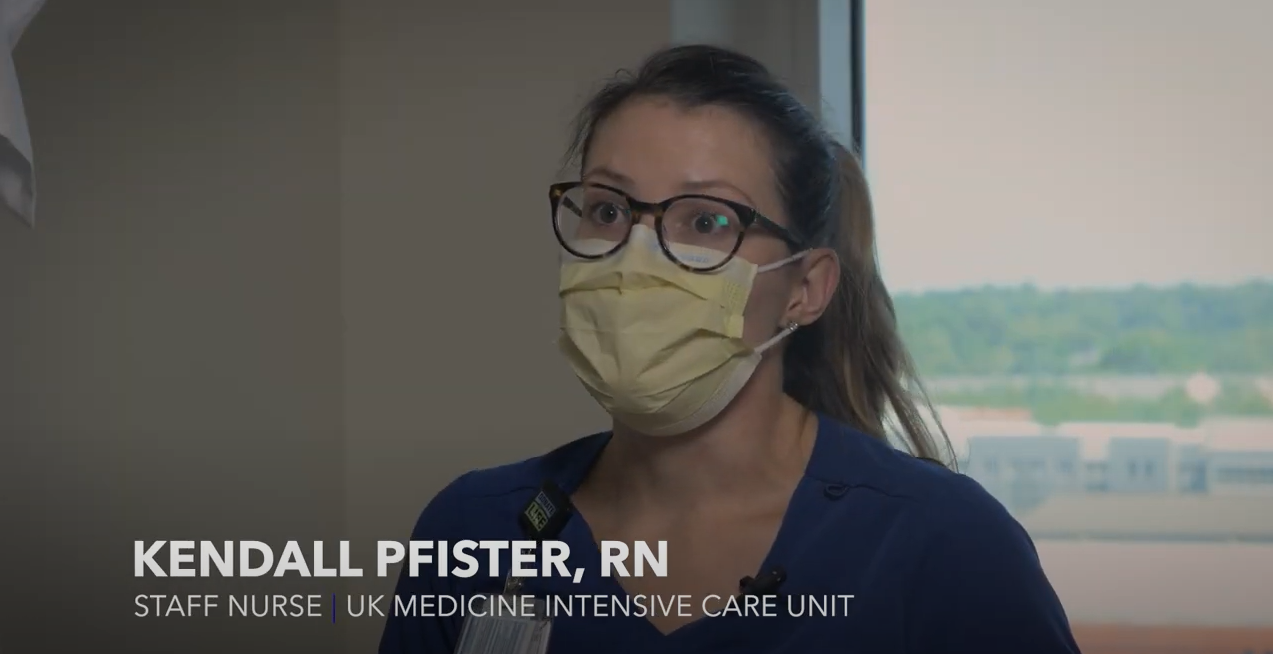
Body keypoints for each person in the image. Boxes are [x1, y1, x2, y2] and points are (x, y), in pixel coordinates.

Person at [380, 44, 1080, 654]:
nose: (636, 256)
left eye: (706, 221)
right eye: (607, 210)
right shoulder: (477, 528)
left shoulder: (940, 542)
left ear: (805, 287)